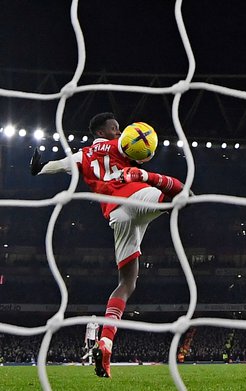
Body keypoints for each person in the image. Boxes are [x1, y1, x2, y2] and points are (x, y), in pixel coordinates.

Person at [31, 112, 189, 378]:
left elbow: (54, 166)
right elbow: (140, 149)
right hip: (136, 194)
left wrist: (39, 167)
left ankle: (106, 342)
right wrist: (142, 166)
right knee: (183, 194)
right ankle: (147, 177)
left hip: (115, 214)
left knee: (126, 283)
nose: (119, 132)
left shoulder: (82, 156)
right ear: (103, 132)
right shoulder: (122, 144)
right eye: (115, 128)